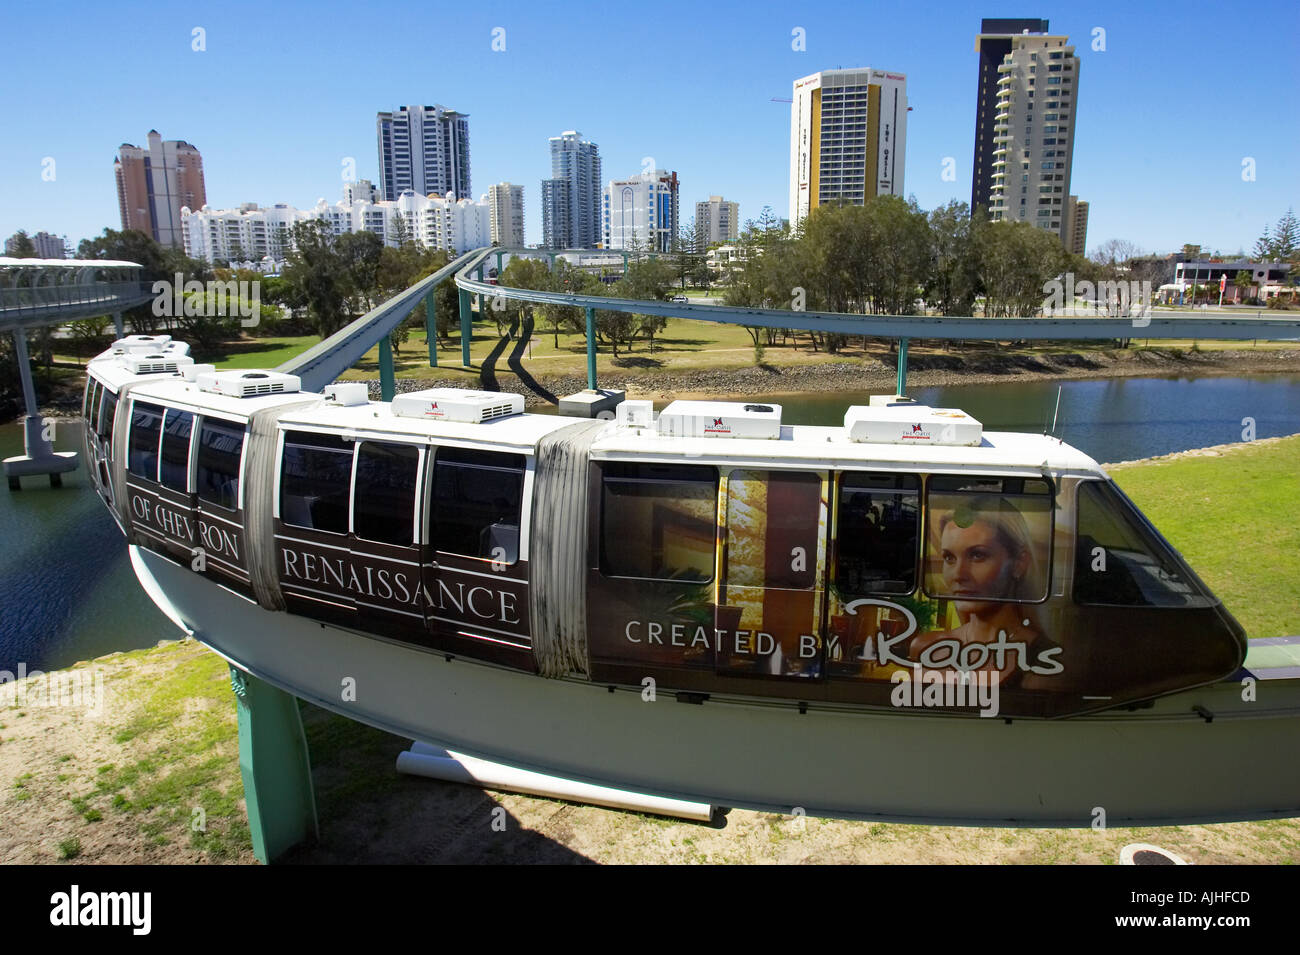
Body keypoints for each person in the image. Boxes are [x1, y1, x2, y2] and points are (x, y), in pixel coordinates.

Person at [909, 495, 1059, 689]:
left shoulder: (1046, 659)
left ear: (1019, 563)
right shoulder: (925, 647)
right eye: (949, 558)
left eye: (977, 555)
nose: (958, 575)